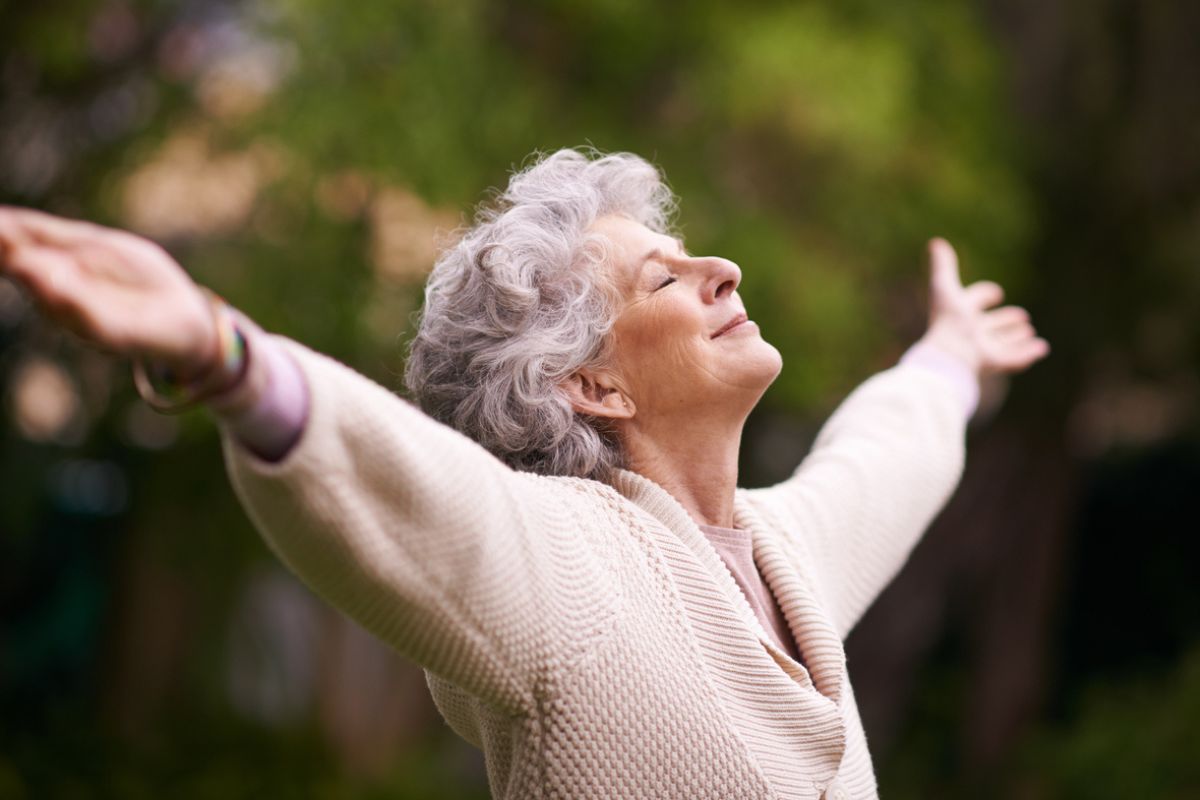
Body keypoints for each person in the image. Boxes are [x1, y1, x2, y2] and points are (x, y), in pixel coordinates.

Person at [0, 148, 1047, 799]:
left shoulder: (789, 552)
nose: (721, 268)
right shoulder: (563, 568)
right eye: (665, 277)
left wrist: (949, 356)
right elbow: (406, 492)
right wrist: (221, 354)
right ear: (592, 385)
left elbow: (884, 455)